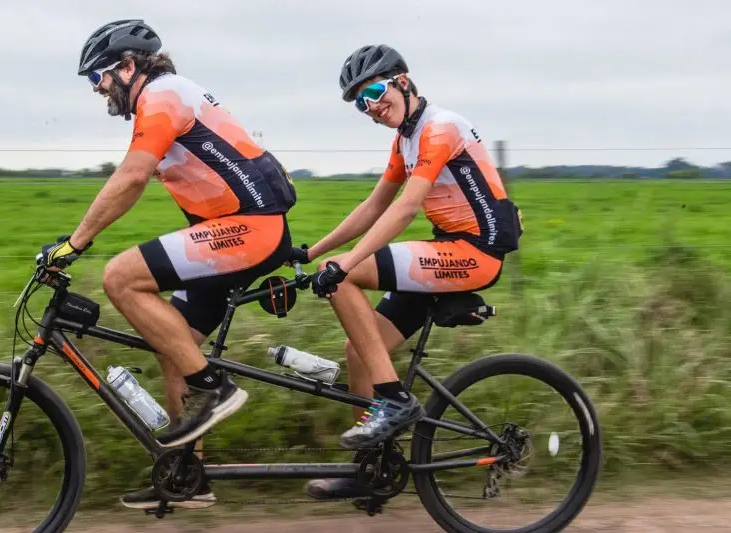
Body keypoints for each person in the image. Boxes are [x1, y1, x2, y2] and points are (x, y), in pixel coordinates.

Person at [39, 19, 298, 510]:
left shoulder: (163, 94)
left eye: (98, 78)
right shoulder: (161, 103)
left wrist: (74, 245)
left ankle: (215, 390)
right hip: (236, 232)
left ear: (128, 66)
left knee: (120, 277)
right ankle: (189, 476)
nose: (97, 91)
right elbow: (138, 176)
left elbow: (132, 176)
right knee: (172, 343)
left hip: (251, 229)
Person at [295, 44, 523, 500]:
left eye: (375, 92)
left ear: (402, 79)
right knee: (360, 349)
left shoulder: (439, 128)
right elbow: (374, 205)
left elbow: (403, 209)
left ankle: (393, 400)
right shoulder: (405, 139)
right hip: (446, 251)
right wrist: (311, 252)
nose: (372, 108)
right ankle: (372, 470)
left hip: (474, 253)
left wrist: (344, 263)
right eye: (362, 104)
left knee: (346, 278)